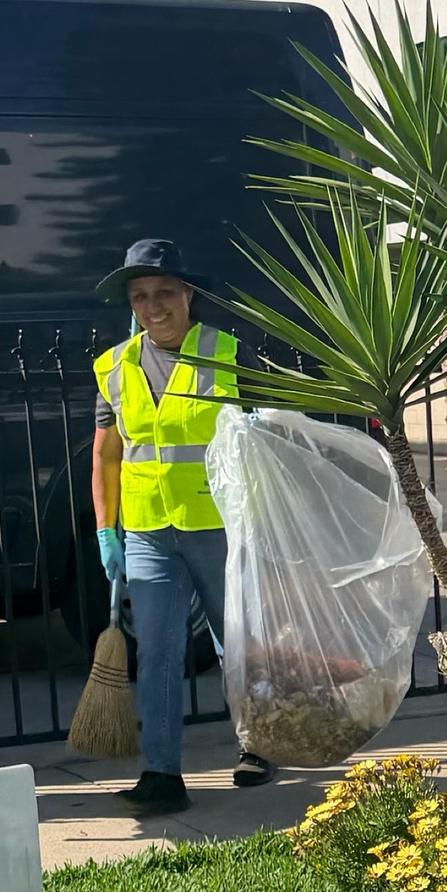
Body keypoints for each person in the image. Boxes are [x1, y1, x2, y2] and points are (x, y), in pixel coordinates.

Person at [91, 237, 273, 816]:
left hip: (215, 525)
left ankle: (256, 746)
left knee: (236, 643)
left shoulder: (227, 353)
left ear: (187, 293)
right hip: (147, 531)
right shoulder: (113, 367)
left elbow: (262, 442)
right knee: (159, 653)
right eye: (140, 296)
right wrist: (106, 531)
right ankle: (162, 773)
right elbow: (106, 456)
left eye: (164, 292)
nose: (153, 306)